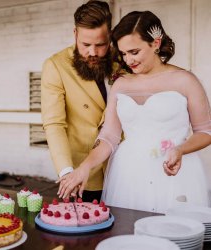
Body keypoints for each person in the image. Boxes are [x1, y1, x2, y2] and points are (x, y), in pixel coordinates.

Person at [57, 10, 211, 213]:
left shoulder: (185, 80)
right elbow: (109, 137)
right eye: (123, 53)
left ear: (155, 43)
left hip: (175, 172)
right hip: (128, 174)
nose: (128, 60)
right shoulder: (120, 84)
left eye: (134, 52)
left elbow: (205, 131)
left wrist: (180, 150)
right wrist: (84, 167)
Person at [41, 1, 123, 202]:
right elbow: (54, 124)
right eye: (86, 45)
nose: (93, 52)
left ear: (110, 37)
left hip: (124, 169)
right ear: (75, 34)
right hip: (84, 174)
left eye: (101, 45)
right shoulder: (56, 66)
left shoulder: (123, 60)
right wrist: (67, 172)